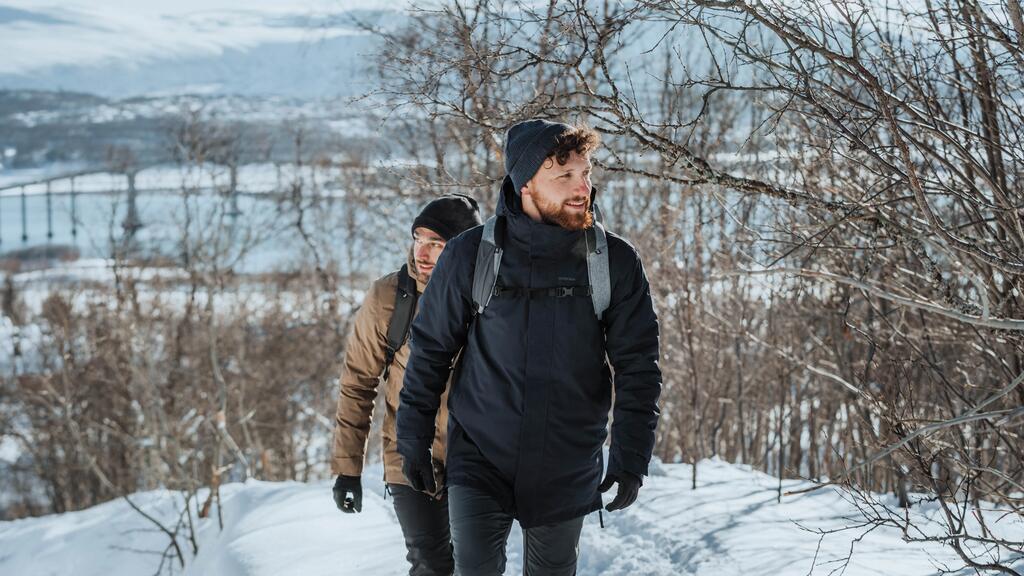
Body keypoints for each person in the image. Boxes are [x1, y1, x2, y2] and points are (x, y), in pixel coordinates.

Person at [397, 119, 663, 575]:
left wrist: (631, 454)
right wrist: (413, 441)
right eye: (565, 177)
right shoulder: (470, 255)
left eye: (586, 174)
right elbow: (430, 352)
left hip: (567, 457)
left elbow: (638, 366)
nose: (583, 188)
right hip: (481, 453)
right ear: (525, 185)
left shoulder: (613, 260)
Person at [331, 194, 482, 576]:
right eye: (419, 238)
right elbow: (358, 383)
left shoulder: (487, 295)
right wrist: (348, 468)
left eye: (437, 243)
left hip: (477, 457)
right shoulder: (389, 297)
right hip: (409, 457)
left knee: (476, 566)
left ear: (463, 246)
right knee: (430, 564)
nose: (423, 251)